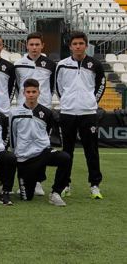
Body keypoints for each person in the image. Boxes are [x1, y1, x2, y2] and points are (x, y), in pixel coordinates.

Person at [56, 31, 105, 199]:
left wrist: (91, 102)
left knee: (91, 150)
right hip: (68, 113)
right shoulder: (61, 65)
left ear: (86, 45)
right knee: (67, 151)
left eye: (81, 43)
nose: (78, 46)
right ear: (70, 46)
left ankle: (94, 185)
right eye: (75, 44)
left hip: (88, 113)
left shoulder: (95, 65)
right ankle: (65, 184)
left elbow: (100, 86)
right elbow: (59, 88)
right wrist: (67, 103)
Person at [10, 79, 70, 206]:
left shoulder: (47, 113)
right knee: (27, 198)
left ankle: (56, 193)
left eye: (34, 91)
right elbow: (13, 136)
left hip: (43, 153)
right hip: (24, 158)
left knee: (65, 158)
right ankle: (29, 184)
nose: (31, 94)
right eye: (28, 92)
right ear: (23, 93)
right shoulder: (14, 113)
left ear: (38, 92)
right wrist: (16, 155)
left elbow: (47, 132)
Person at [14, 32, 56, 108]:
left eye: (37, 44)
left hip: (44, 106)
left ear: (42, 45)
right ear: (27, 46)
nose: (34, 47)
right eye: (31, 44)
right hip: (23, 106)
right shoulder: (18, 65)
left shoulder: (51, 64)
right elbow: (17, 86)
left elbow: (52, 87)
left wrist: (46, 98)